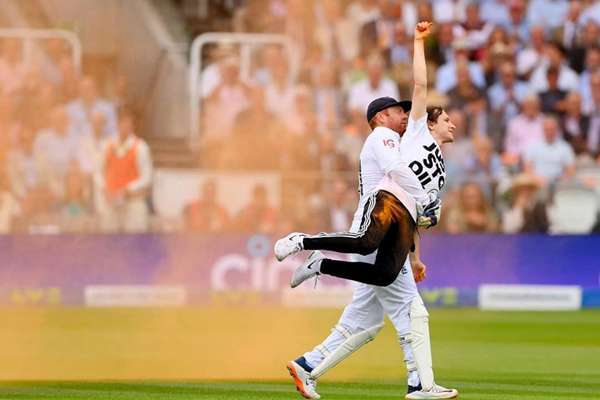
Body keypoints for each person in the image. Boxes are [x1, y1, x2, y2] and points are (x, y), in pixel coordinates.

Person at [278, 22, 458, 400]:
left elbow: (416, 213)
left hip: (398, 227)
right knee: (412, 311)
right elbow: (421, 87)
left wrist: (415, 254)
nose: (405, 115)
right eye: (398, 111)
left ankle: (308, 365)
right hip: (381, 220)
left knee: (365, 322)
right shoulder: (409, 135)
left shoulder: (439, 164)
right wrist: (418, 42)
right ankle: (420, 384)